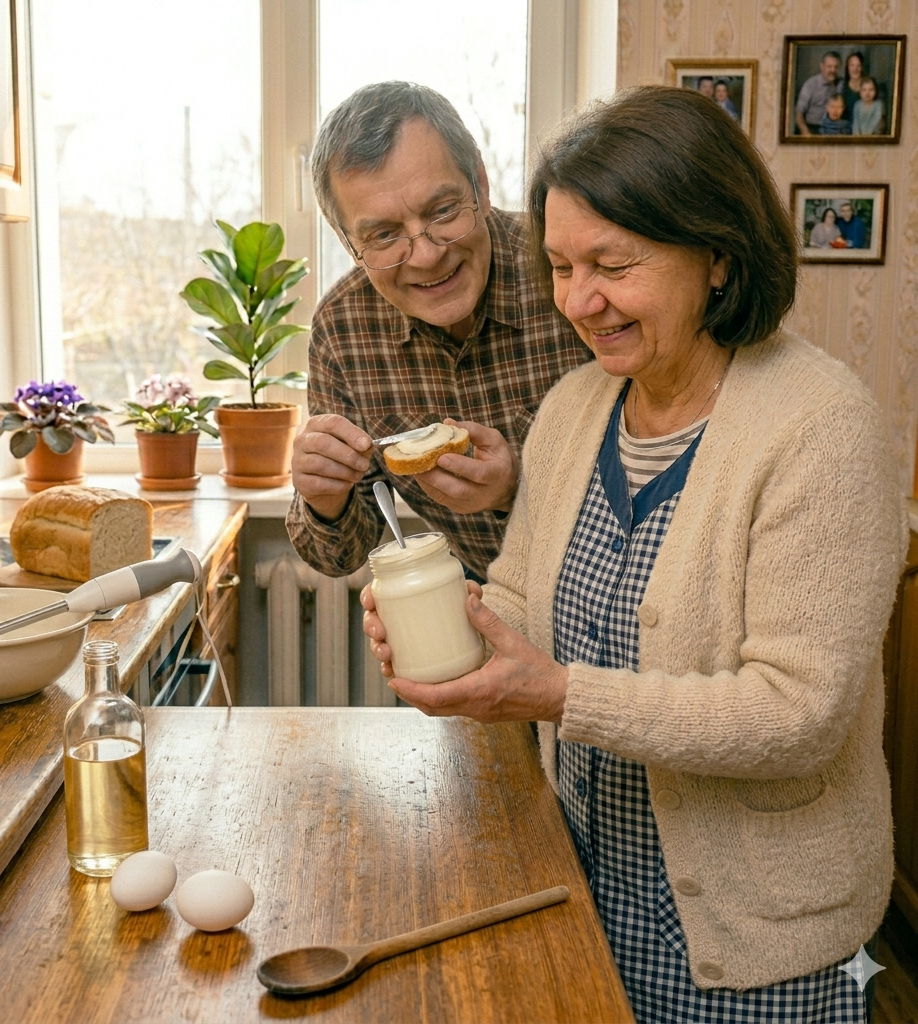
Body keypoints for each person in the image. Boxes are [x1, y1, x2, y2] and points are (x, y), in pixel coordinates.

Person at [364, 86, 904, 1022]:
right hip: (583, 883)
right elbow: (529, 602)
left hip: (757, 945)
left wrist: (559, 695)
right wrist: (466, 629)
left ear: (718, 257)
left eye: (614, 264)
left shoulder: (822, 426)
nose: (581, 301)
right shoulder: (578, 408)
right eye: (563, 266)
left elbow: (799, 713)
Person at [287, 82, 590, 582]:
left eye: (443, 211)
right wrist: (324, 500)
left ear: (481, 183)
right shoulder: (342, 331)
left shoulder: (567, 270)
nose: (427, 256)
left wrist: (518, 490)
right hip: (486, 604)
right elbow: (342, 555)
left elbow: (673, 478)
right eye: (384, 235)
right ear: (346, 241)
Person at [795, 51, 842, 134]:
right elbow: (799, 112)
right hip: (812, 127)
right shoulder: (810, 84)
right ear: (822, 66)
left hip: (832, 129)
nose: (833, 70)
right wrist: (805, 132)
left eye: (836, 67)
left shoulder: (841, 84)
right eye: (829, 66)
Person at [842, 52, 865, 123]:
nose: (855, 69)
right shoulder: (841, 86)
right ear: (847, 67)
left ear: (862, 68)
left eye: (858, 65)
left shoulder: (869, 86)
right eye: (852, 65)